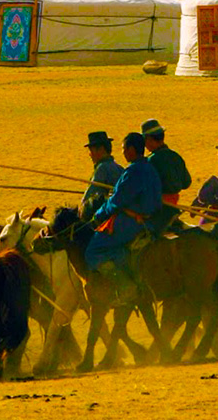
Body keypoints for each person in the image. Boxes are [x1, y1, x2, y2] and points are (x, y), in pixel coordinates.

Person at [84, 132, 162, 305]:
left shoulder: (133, 171)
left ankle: (125, 286)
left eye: (124, 149)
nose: (123, 153)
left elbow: (116, 201)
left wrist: (98, 215)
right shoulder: (150, 169)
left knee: (93, 251)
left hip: (130, 223)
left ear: (132, 150)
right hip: (149, 221)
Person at [141, 118, 191, 233]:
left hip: (157, 209)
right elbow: (186, 183)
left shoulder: (150, 161)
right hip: (173, 208)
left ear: (149, 139)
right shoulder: (175, 156)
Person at [80, 130, 123, 223]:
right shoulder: (119, 167)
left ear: (101, 149)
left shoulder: (102, 169)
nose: (90, 154)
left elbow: (89, 198)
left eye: (91, 150)